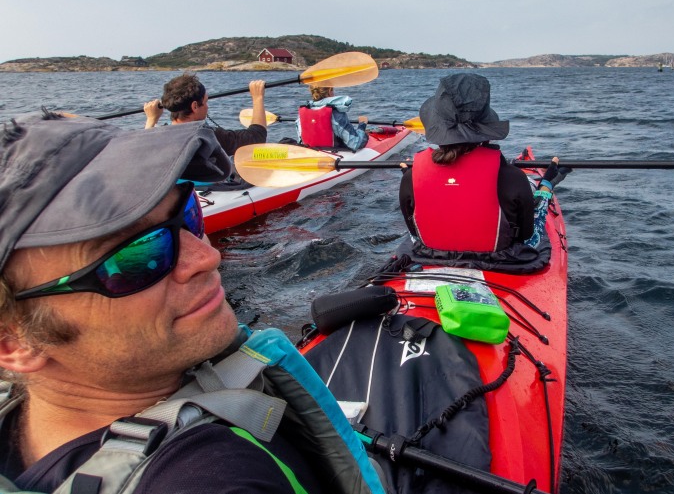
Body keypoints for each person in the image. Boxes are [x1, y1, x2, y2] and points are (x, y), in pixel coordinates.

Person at [0, 111, 383, 493]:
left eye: (188, 214)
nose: (206, 257)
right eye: (135, 257)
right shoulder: (216, 475)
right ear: (13, 342)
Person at [399, 73, 567, 255]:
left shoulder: (410, 178)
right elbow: (526, 234)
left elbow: (414, 231)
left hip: (433, 253)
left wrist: (416, 178)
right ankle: (547, 184)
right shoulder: (513, 177)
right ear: (485, 128)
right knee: (537, 207)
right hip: (500, 257)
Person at [144, 73, 268, 155]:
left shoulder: (158, 138)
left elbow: (142, 152)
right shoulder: (209, 136)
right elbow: (257, 137)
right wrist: (257, 98)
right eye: (205, 102)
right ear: (195, 106)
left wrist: (151, 119)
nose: (207, 107)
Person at [295, 85, 369, 151]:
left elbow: (301, 141)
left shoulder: (301, 114)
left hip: (311, 154)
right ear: (330, 91)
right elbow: (355, 144)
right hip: (334, 155)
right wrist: (362, 125)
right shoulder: (335, 113)